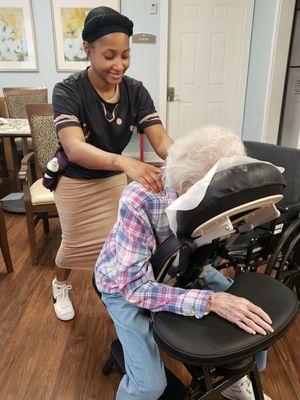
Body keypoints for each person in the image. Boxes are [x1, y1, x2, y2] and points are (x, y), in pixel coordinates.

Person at [94, 125, 273, 400]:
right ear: (189, 186)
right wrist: (210, 301)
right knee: (149, 387)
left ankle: (235, 379)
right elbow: (134, 287)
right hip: (124, 282)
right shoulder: (140, 198)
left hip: (183, 266)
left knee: (254, 316)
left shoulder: (214, 193)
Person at [51, 6, 173, 321]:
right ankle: (60, 284)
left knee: (116, 244)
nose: (119, 65)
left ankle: (112, 291)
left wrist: (192, 160)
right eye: (110, 56)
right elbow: (75, 148)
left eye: (126, 55)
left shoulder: (135, 90)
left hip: (111, 178)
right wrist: (126, 162)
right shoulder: (68, 91)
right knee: (72, 246)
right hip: (75, 181)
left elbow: (161, 141)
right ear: (87, 49)